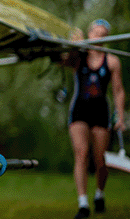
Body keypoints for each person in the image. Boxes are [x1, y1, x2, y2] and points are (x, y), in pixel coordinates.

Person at [62, 19, 126, 219]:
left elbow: (118, 91)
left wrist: (121, 117)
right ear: (89, 34)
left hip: (100, 111)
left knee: (100, 159)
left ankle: (99, 193)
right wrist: (73, 42)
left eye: (102, 34)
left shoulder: (113, 61)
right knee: (81, 153)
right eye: (95, 33)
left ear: (107, 38)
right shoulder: (78, 57)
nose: (98, 37)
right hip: (79, 110)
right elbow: (63, 60)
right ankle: (83, 203)